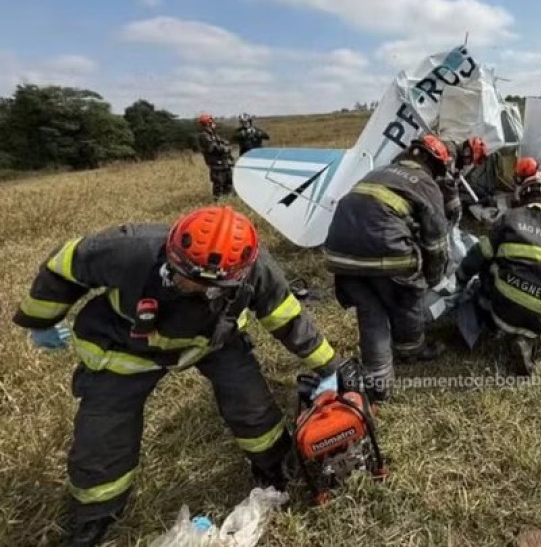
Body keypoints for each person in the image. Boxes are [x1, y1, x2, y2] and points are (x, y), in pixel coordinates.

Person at [12, 206, 340, 547]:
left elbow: (286, 318)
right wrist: (41, 321)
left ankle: (273, 465)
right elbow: (64, 266)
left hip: (213, 341)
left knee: (250, 402)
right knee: (105, 430)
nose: (192, 287)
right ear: (172, 250)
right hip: (125, 349)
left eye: (209, 286)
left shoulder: (257, 269)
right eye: (185, 276)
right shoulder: (128, 249)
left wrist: (328, 367)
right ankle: (96, 513)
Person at [323, 135, 452, 400]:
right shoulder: (425, 183)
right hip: (386, 254)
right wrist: (432, 278)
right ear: (429, 162)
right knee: (406, 300)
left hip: (340, 254)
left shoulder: (378, 171)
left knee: (371, 314)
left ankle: (378, 382)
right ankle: (411, 351)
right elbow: (436, 242)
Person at [456, 172, 541, 375]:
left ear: (522, 195)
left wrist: (460, 278)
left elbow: (478, 253)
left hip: (505, 306)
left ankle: (490, 323)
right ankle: (533, 340)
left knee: (491, 263)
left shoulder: (510, 217)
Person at [440, 136, 487, 225]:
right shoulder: (451, 151)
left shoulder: (460, 158)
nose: (467, 163)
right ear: (467, 150)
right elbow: (446, 177)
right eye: (469, 159)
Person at [196, 114, 234, 199]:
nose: (214, 123)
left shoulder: (213, 134)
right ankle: (218, 201)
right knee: (219, 183)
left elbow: (225, 142)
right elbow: (215, 148)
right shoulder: (204, 136)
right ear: (208, 123)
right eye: (212, 121)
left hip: (224, 162)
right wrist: (225, 148)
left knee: (228, 181)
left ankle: (228, 199)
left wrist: (225, 147)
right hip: (216, 164)